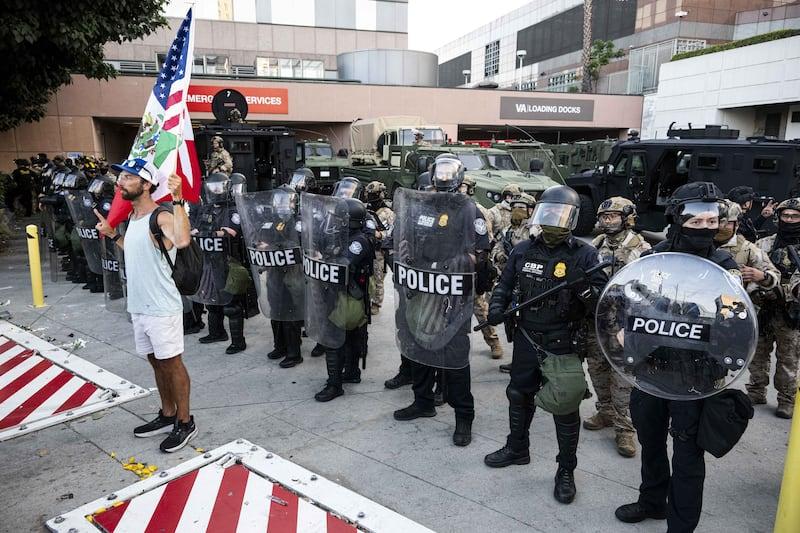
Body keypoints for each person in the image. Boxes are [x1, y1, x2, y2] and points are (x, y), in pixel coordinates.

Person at [615, 182, 741, 530]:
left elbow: (735, 325)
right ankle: (652, 501)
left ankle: (680, 525)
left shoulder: (723, 266)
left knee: (687, 453)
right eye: (695, 221)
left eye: (711, 222)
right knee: (650, 438)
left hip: (696, 374)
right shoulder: (653, 258)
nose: (705, 229)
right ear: (676, 218)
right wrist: (624, 328)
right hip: (652, 366)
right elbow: (629, 299)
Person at [484, 185, 607, 504]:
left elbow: (601, 304)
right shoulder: (523, 250)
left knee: (565, 406)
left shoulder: (585, 254)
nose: (553, 220)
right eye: (548, 213)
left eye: (561, 215)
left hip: (563, 341)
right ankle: (517, 448)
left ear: (573, 219)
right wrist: (498, 307)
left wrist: (582, 289)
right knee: (518, 394)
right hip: (526, 335)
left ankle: (566, 469)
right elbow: (505, 285)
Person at [95, 158, 197, 453]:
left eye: (128, 177)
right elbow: (136, 251)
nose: (120, 182)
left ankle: (185, 421)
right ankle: (167, 414)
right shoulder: (134, 220)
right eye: (120, 177)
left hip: (162, 307)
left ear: (147, 184)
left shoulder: (161, 215)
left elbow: (182, 239)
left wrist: (178, 198)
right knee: (155, 361)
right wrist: (113, 234)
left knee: (172, 363)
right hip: (139, 307)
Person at [393, 155, 492, 446]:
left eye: (449, 173)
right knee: (418, 348)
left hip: (452, 295)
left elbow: (481, 254)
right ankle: (422, 402)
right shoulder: (421, 205)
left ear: (459, 177)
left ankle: (464, 417)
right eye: (440, 172)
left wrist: (448, 267)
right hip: (421, 290)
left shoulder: (469, 210)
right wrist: (403, 257)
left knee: (455, 356)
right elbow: (405, 240)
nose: (444, 178)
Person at [583, 196, 650, 458]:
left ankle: (625, 429)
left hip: (625, 324)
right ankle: (606, 412)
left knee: (623, 377)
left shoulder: (640, 248)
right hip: (597, 322)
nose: (606, 221)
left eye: (612, 216)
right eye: (603, 216)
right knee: (597, 369)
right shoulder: (596, 245)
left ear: (627, 218)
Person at [313, 197, 374, 401]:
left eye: (339, 218)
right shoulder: (341, 236)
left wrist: (326, 256)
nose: (335, 221)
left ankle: (334, 384)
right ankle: (351, 372)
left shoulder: (359, 241)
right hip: (339, 292)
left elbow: (344, 263)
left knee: (334, 336)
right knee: (350, 336)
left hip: (351, 294)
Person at [749, 197, 800, 418]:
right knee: (757, 353)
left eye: (795, 216)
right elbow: (751, 271)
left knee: (788, 358)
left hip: (790, 312)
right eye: (786, 216)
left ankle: (786, 399)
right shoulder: (764, 244)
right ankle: (756, 390)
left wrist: (785, 291)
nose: (789, 220)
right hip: (763, 307)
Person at [190, 172, 247, 354]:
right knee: (211, 300)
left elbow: (232, 231)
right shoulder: (206, 209)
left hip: (229, 262)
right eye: (212, 188)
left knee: (231, 304)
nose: (215, 191)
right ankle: (217, 332)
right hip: (209, 261)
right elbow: (197, 228)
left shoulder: (234, 208)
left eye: (218, 188)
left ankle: (238, 342)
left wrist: (215, 233)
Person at [460, 174, 504, 359]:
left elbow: (486, 241)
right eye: (458, 186)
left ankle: (493, 342)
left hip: (472, 269)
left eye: (464, 186)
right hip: (451, 269)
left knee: (481, 310)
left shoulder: (477, 210)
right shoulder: (448, 209)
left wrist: (479, 269)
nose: (460, 189)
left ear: (470, 189)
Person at [364, 181, 395, 316]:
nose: (371, 198)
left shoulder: (387, 212)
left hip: (379, 250)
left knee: (378, 277)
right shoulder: (366, 209)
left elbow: (391, 233)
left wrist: (378, 234)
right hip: (367, 247)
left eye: (374, 195)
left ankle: (376, 303)